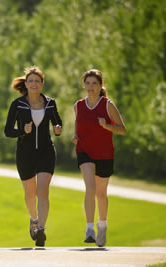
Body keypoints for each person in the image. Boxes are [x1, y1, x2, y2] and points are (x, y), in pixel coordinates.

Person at [4, 66, 62, 247]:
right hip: (25, 153)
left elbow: (57, 120)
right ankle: (34, 219)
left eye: (37, 81)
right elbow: (7, 131)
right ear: (26, 84)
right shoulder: (17, 104)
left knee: (42, 191)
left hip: (46, 151)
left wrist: (58, 128)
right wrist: (22, 131)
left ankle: (41, 230)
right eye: (31, 81)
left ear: (42, 83)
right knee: (30, 194)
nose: (34, 84)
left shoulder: (50, 103)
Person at [72, 69, 126, 247]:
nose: (91, 87)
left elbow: (122, 129)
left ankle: (102, 225)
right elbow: (77, 125)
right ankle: (89, 229)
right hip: (84, 151)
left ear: (101, 85)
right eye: (87, 83)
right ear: (84, 85)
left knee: (101, 194)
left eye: (94, 83)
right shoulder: (78, 105)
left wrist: (107, 126)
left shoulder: (108, 105)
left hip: (104, 153)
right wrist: (75, 137)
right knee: (90, 187)